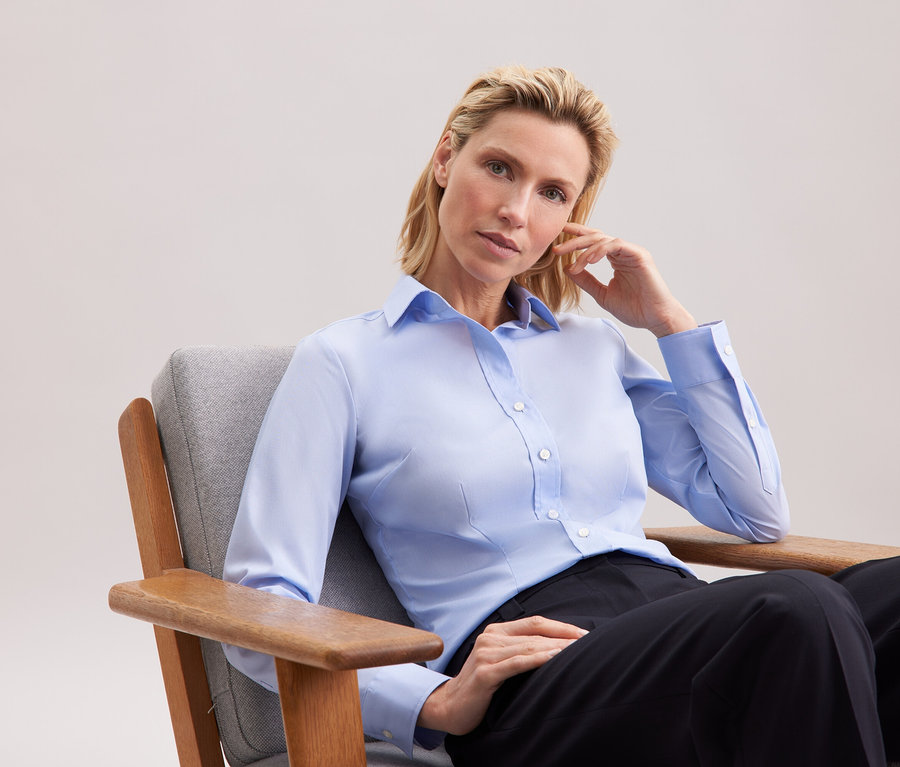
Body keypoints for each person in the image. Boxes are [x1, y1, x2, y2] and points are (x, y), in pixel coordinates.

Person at [223, 66, 899, 765]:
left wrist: (671, 325)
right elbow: (257, 603)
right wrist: (432, 699)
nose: (517, 210)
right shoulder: (344, 361)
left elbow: (757, 512)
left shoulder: (593, 347)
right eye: (498, 167)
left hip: (669, 623)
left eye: (551, 192)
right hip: (536, 677)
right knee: (796, 609)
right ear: (445, 158)